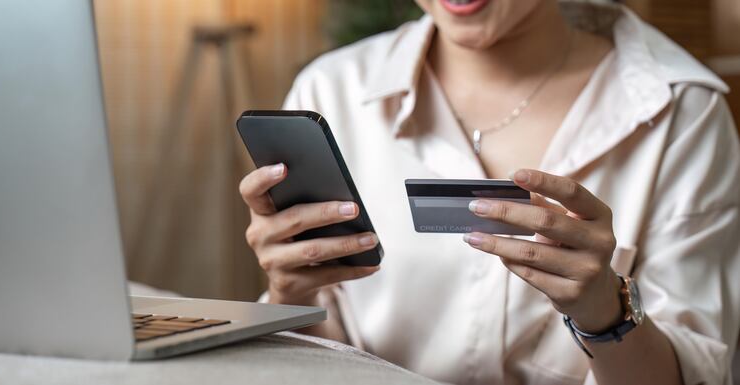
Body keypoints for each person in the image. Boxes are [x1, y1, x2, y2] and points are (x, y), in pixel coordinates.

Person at [238, 0, 740, 384]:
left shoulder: (679, 111)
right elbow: (330, 356)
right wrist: (290, 295)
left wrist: (604, 313)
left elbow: (694, 373)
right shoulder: (333, 91)